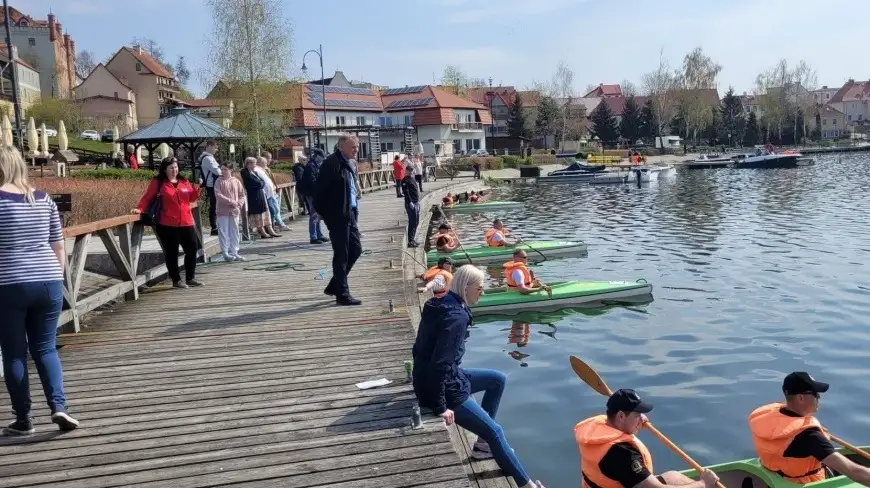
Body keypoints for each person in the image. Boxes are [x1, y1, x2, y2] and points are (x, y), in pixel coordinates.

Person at [412, 265, 545, 488]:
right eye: (480, 289)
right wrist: (441, 406)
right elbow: (440, 365)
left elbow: (419, 350)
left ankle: (483, 445)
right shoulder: (456, 317)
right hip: (444, 387)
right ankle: (527, 484)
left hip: (438, 377)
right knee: (496, 431)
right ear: (466, 287)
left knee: (497, 379)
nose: (481, 293)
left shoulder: (438, 303)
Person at [0, 146, 79, 436]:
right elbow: (59, 246)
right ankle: (59, 407)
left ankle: (23, 419)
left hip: (8, 283)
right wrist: (55, 280)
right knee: (45, 348)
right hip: (48, 281)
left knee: (14, 354)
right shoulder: (44, 199)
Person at [575, 388, 720, 488]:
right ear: (620, 416)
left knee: (673, 476)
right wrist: (703, 484)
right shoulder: (622, 453)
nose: (641, 419)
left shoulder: (598, 427)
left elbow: (618, 420)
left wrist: (635, 420)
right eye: (636, 415)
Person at [749, 372, 870, 486]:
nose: (819, 398)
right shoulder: (809, 437)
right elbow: (855, 472)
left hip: (776, 474)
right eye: (815, 394)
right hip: (805, 483)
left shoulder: (768, 415)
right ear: (800, 398)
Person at [133, 157, 203, 289]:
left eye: (176, 167)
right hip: (167, 224)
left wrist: (197, 189)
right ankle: (176, 280)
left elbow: (191, 198)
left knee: (192, 249)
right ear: (165, 169)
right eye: (171, 168)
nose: (174, 170)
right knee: (172, 253)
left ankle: (190, 278)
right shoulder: (158, 182)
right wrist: (140, 209)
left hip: (186, 222)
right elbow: (148, 197)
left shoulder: (184, 181)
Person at [313, 134, 363, 306]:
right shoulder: (331, 164)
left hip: (350, 213)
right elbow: (319, 191)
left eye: (357, 146)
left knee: (356, 249)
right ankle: (342, 294)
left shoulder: (348, 163)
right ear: (341, 147)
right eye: (353, 147)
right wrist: (323, 213)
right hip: (336, 216)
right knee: (341, 254)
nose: (356, 149)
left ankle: (335, 285)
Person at [241, 157, 280, 239]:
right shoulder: (245, 172)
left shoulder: (255, 172)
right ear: (247, 164)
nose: (253, 165)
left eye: (254, 163)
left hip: (261, 194)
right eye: (251, 163)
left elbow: (262, 182)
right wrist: (260, 184)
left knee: (265, 212)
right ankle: (262, 232)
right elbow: (255, 183)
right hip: (253, 195)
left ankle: (270, 230)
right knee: (258, 214)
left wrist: (260, 184)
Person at [214, 163, 246, 262]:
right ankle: (225, 252)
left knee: (234, 231)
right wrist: (231, 201)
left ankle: (234, 251)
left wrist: (239, 204)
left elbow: (242, 195)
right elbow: (218, 194)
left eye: (225, 169)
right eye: (222, 169)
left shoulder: (236, 181)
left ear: (230, 170)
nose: (223, 171)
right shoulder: (219, 181)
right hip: (222, 210)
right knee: (223, 231)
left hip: (234, 210)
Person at [300, 148, 328, 244]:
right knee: (314, 215)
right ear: (316, 156)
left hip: (315, 193)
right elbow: (312, 181)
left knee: (317, 214)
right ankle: (313, 236)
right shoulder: (311, 166)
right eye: (321, 157)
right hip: (311, 194)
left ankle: (319, 234)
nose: (323, 159)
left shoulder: (315, 165)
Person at [256, 156, 290, 232]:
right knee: (272, 210)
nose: (266, 164)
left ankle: (274, 227)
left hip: (271, 193)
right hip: (266, 194)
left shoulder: (264, 170)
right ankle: (271, 228)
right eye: (264, 163)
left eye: (265, 162)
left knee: (275, 210)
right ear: (259, 163)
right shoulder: (257, 170)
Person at [198, 139, 221, 236]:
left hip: (214, 185)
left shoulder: (209, 157)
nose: (216, 150)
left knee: (215, 205)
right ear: (210, 146)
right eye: (215, 148)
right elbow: (218, 172)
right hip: (212, 185)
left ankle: (215, 226)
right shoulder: (207, 158)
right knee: (214, 206)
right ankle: (214, 227)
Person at [402, 162, 421, 248]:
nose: (410, 172)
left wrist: (418, 202)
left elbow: (416, 191)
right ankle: (410, 241)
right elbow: (406, 193)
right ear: (405, 171)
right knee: (412, 222)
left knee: (416, 222)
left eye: (411, 170)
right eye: (408, 170)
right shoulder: (404, 180)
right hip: (410, 203)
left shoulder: (412, 179)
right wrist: (410, 203)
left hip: (416, 202)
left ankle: (412, 239)